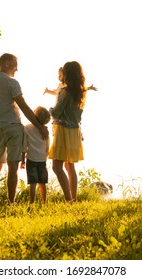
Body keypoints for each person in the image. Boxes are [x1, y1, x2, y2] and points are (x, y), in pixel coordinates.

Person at [0, 53, 49, 205]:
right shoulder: (12, 83)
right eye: (14, 64)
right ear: (6, 64)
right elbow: (24, 107)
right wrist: (39, 126)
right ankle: (11, 202)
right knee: (13, 165)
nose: (16, 68)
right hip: (13, 127)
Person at [48, 61, 87, 202]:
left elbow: (56, 113)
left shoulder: (65, 92)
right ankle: (74, 199)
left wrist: (49, 109)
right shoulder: (81, 92)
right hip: (75, 130)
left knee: (57, 166)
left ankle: (68, 199)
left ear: (67, 74)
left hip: (63, 130)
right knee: (70, 166)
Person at [20, 106, 51, 204]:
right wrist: (45, 155)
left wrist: (22, 160)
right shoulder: (45, 130)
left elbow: (24, 146)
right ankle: (44, 202)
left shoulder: (27, 128)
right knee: (42, 183)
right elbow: (47, 145)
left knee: (32, 183)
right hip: (42, 160)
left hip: (31, 159)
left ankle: (32, 203)